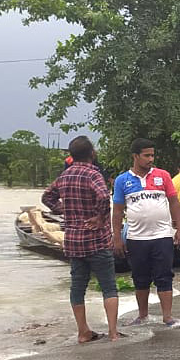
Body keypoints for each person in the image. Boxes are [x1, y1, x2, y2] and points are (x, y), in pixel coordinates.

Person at [42, 136, 121, 343]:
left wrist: (65, 211)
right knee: (108, 286)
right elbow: (104, 196)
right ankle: (113, 332)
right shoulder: (93, 174)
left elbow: (47, 198)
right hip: (97, 240)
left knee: (78, 287)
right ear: (92, 154)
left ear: (71, 155)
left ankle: (83, 331)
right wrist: (99, 217)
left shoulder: (64, 176)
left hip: (74, 241)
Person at [112, 138, 180, 328]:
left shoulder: (163, 176)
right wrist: (116, 237)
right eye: (147, 155)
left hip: (162, 236)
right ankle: (142, 315)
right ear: (135, 156)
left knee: (164, 276)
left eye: (152, 155)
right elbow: (118, 211)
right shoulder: (122, 180)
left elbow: (174, 203)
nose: (151, 159)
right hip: (136, 238)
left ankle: (167, 317)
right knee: (140, 277)